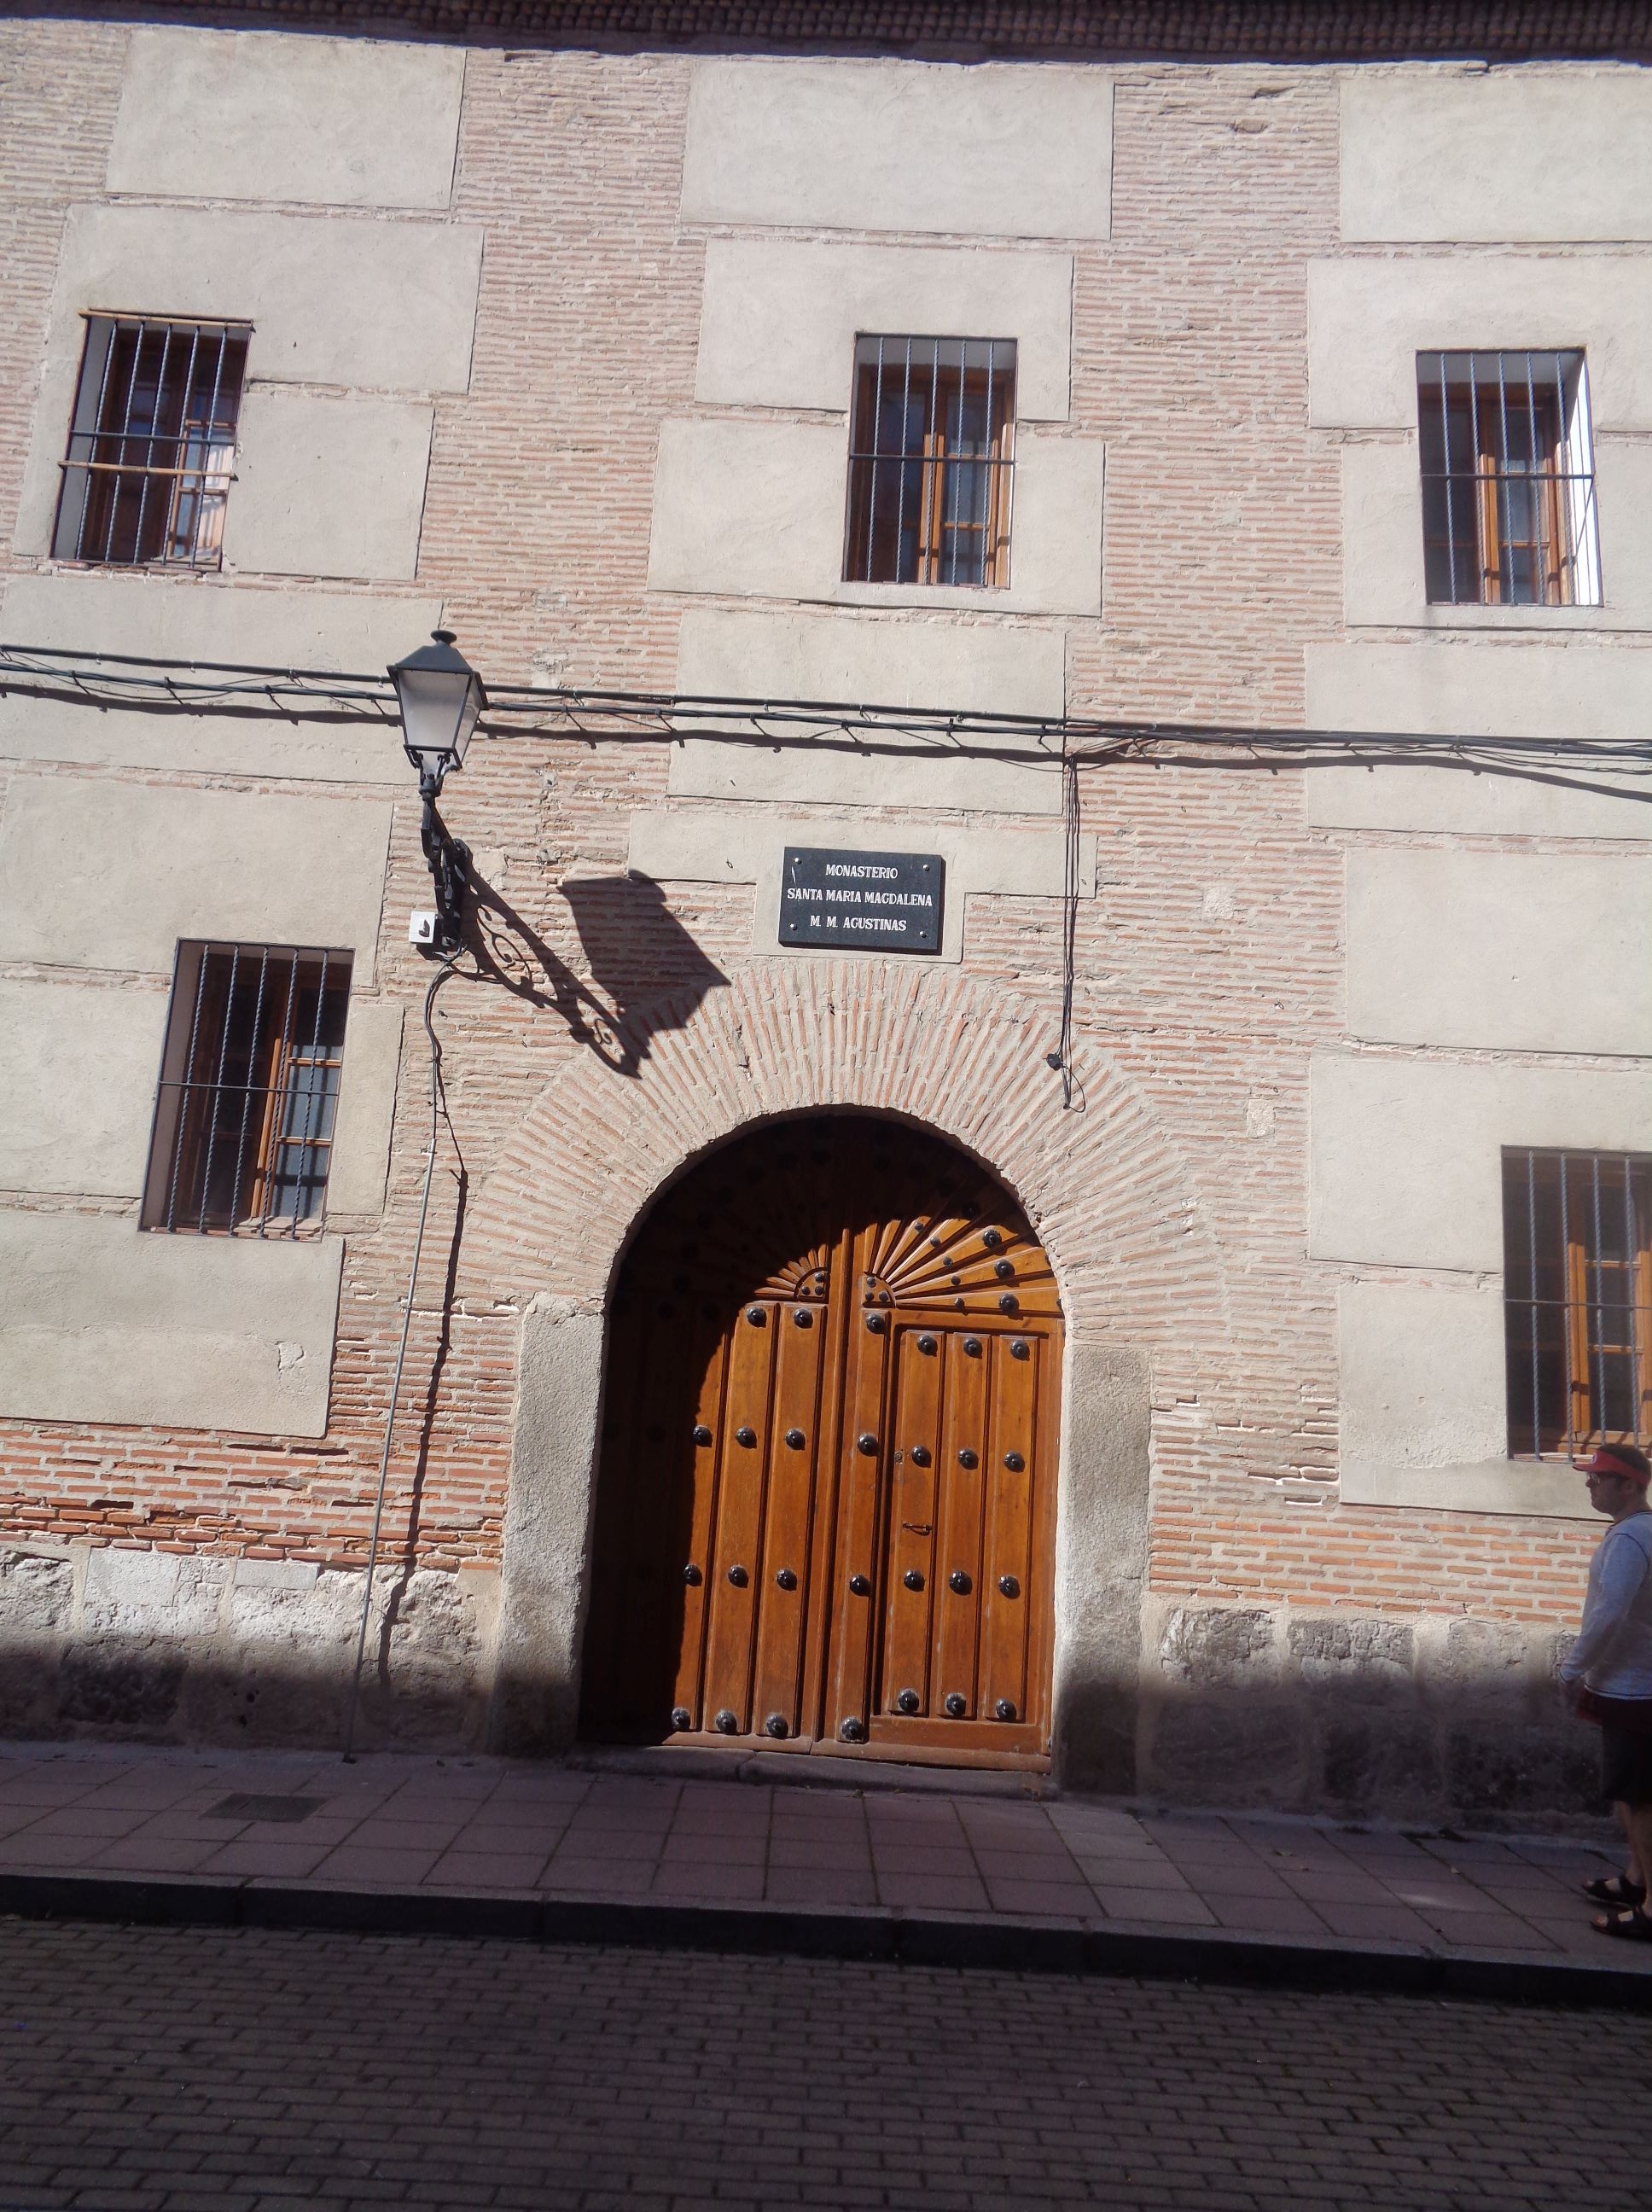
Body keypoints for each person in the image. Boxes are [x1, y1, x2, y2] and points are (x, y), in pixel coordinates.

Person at [1559, 1443, 1652, 1939]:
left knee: (1641, 1799)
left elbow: (1609, 1613)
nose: (1590, 1483)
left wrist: (1573, 1668)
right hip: (1626, 1684)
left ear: (1632, 1485)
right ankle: (1638, 1879)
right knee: (1627, 1790)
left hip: (1636, 1688)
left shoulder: (1631, 1539)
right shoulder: (1635, 1533)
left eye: (1601, 1477)